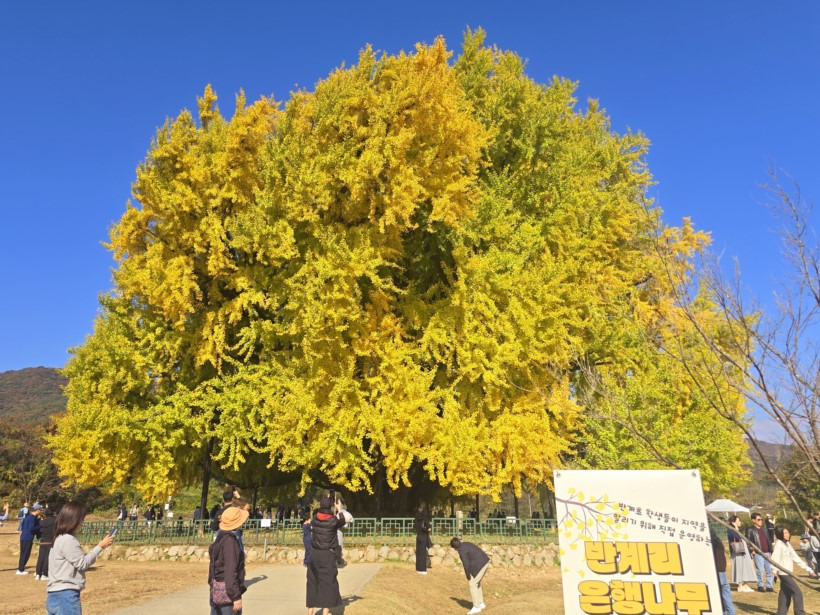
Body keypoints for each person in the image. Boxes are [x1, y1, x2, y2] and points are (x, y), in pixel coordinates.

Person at [46, 501, 115, 614]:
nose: (82, 523)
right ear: (73, 519)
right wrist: (99, 547)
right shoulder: (68, 540)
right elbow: (82, 563)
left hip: (54, 594)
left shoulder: (59, 538)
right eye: (81, 519)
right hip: (66, 595)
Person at [306, 495, 347, 615]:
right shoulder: (332, 521)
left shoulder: (315, 518)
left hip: (314, 554)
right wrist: (339, 509)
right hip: (326, 554)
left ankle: (310, 610)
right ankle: (325, 612)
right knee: (328, 582)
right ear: (330, 507)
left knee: (312, 581)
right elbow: (343, 521)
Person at [208, 506, 248, 615]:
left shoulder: (220, 537)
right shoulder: (230, 542)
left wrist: (212, 585)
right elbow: (231, 570)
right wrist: (235, 597)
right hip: (227, 594)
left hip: (216, 588)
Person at [771, 526, 816, 615]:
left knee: (785, 594)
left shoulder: (787, 544)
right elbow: (774, 559)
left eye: (788, 532)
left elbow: (796, 558)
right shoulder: (779, 544)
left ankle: (781, 613)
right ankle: (799, 613)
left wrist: (809, 570)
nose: (788, 535)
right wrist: (774, 571)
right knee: (797, 592)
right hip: (783, 574)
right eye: (785, 533)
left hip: (788, 573)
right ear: (780, 534)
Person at [450, 537, 490, 615]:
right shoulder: (466, 543)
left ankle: (476, 607)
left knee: (472, 584)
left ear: (455, 548)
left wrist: (468, 575)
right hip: (485, 561)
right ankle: (481, 603)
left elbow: (466, 564)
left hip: (480, 565)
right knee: (476, 583)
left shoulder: (461, 551)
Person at [747, 512, 775, 592]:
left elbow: (770, 536)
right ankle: (760, 586)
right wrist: (751, 550)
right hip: (758, 553)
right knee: (760, 570)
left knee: (770, 570)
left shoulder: (764, 529)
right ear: (753, 520)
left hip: (767, 552)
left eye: (761, 519)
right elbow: (748, 541)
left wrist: (768, 520)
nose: (760, 521)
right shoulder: (750, 530)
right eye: (758, 519)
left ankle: (769, 586)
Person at [727, 515, 756, 592]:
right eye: (738, 521)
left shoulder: (739, 530)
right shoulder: (731, 530)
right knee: (740, 567)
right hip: (737, 551)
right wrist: (736, 530)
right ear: (733, 522)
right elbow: (733, 538)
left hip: (744, 550)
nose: (740, 522)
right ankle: (740, 585)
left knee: (746, 566)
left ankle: (745, 584)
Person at [711, 531, 735, 615]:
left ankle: (724, 612)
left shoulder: (711, 545)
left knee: (719, 597)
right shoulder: (719, 543)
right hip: (722, 571)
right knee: (726, 596)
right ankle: (732, 613)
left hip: (716, 572)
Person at [18, 503, 43, 574]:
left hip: (24, 537)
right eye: (40, 510)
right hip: (27, 537)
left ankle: (20, 568)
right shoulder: (32, 518)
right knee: (26, 554)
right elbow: (32, 528)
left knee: (23, 554)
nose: (41, 512)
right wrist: (41, 526)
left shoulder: (29, 517)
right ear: (37, 510)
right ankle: (21, 569)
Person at [35, 507, 57, 580]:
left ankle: (38, 573)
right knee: (47, 557)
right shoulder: (55, 521)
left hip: (42, 540)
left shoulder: (42, 521)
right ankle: (45, 573)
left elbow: (39, 529)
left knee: (41, 557)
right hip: (50, 540)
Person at [334, 496, 352, 568]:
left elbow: (347, 521)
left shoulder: (345, 513)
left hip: (339, 532)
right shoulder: (333, 513)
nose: (336, 504)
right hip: (332, 533)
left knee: (339, 545)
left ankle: (338, 560)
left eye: (338, 503)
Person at [415, 501, 432, 575]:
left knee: (418, 552)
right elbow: (429, 528)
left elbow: (415, 526)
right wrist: (427, 529)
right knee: (423, 553)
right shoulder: (424, 518)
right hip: (423, 536)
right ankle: (422, 570)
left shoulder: (416, 518)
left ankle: (418, 568)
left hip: (418, 536)